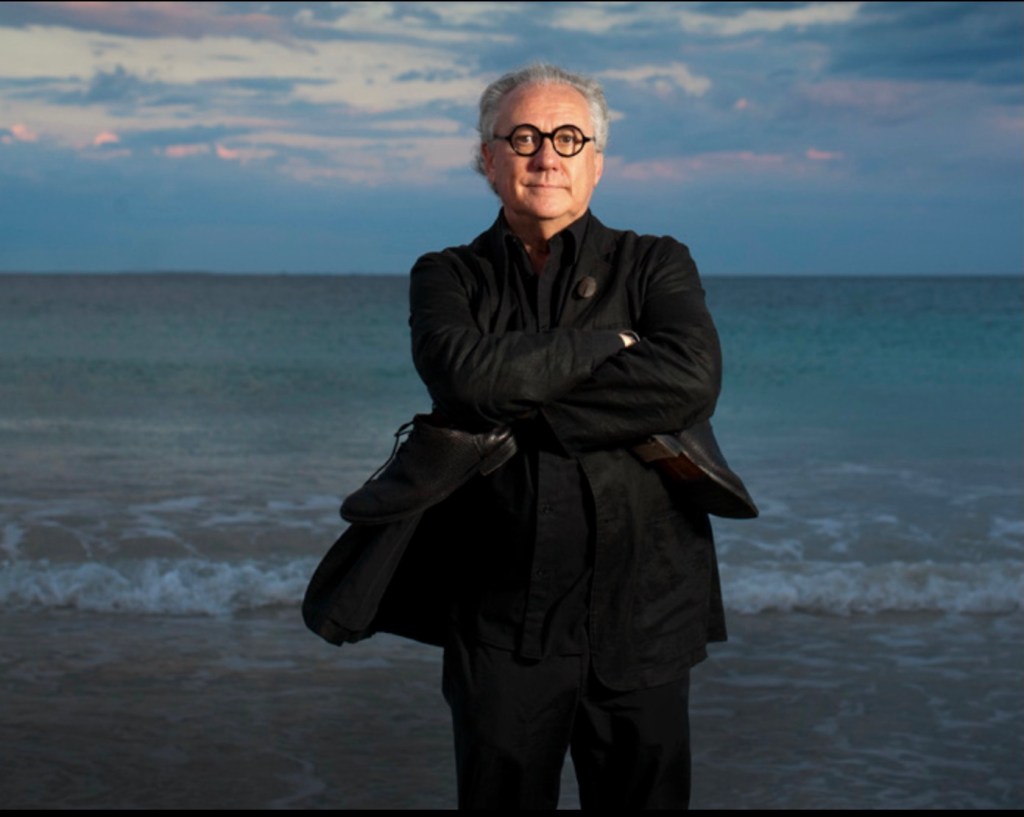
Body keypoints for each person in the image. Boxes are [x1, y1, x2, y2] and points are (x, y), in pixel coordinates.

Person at [305, 62, 744, 810]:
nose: (548, 154)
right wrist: (616, 347)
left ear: (596, 162)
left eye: (569, 137)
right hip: (498, 614)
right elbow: (466, 379)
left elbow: (693, 380)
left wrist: (525, 398)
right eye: (526, 136)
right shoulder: (447, 275)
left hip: (644, 608)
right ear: (489, 158)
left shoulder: (657, 261)